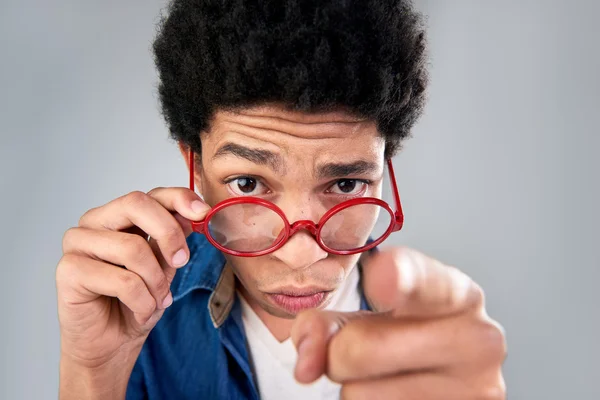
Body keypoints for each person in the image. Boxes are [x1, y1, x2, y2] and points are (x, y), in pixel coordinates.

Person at [56, 0, 506, 399]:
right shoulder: (141, 309)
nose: (300, 254)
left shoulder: (430, 334)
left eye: (346, 185)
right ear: (193, 166)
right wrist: (93, 372)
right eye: (248, 184)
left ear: (385, 169)